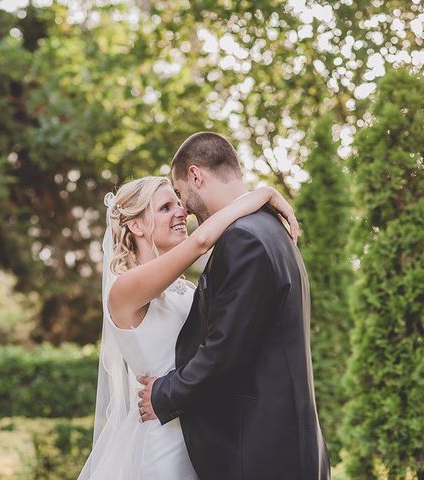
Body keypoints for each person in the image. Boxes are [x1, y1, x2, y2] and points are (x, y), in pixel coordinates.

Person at [78, 174, 299, 480]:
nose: (181, 212)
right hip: (164, 438)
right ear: (136, 226)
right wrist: (265, 194)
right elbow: (202, 240)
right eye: (166, 207)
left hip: (203, 433)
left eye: (179, 204)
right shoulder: (124, 290)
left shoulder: (183, 288)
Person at [137, 132, 331, 479]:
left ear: (196, 176)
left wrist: (164, 393)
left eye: (180, 194)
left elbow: (225, 351)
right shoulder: (269, 228)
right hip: (282, 447)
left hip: (261, 453)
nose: (184, 208)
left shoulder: (243, 238)